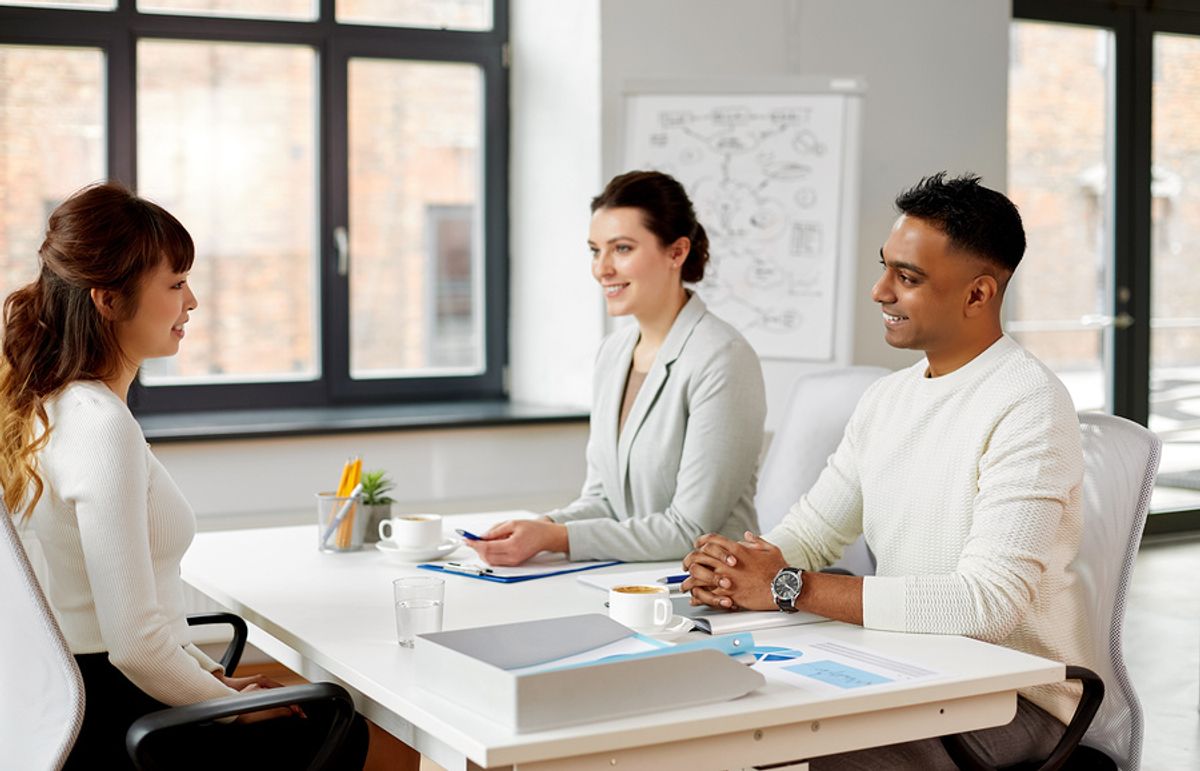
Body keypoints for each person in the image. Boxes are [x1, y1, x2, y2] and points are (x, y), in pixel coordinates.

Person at [683, 173, 1090, 769]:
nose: (879, 291)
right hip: (912, 669)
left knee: (799, 758)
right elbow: (815, 532)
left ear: (978, 295)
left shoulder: (1029, 403)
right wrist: (737, 570)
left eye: (908, 278)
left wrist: (786, 587)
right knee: (712, 730)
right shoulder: (887, 398)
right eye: (885, 269)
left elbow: (987, 604)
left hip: (1010, 697)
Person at [0, 183, 369, 769]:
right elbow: (134, 644)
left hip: (98, 698)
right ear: (109, 301)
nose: (191, 301)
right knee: (339, 720)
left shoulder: (55, 406)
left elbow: (139, 627)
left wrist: (219, 686)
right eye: (175, 284)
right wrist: (228, 705)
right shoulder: (99, 426)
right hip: (120, 718)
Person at [467, 170, 766, 566]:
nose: (601, 268)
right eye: (595, 250)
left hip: (708, 589)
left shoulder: (723, 357)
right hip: (625, 580)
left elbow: (689, 530)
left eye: (621, 249)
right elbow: (603, 500)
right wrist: (539, 528)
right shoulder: (614, 352)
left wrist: (557, 537)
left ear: (677, 252)